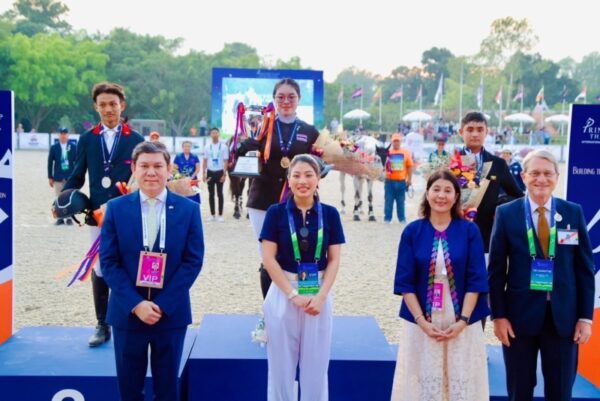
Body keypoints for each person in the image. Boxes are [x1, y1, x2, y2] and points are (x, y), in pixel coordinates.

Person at [100, 141, 204, 401]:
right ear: (134, 169)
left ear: (169, 169)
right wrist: (136, 304)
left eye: (158, 166)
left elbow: (192, 261)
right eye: (144, 166)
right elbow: (109, 262)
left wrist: (163, 304)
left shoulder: (189, 210)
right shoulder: (116, 208)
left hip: (170, 314)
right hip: (127, 313)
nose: (151, 172)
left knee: (167, 389)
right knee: (129, 390)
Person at [488, 149, 595, 401]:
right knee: (519, 391)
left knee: (560, 392)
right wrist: (498, 316)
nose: (541, 179)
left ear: (557, 177)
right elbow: (496, 271)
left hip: (564, 320)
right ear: (523, 176)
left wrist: (585, 318)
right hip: (518, 319)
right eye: (535, 173)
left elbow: (584, 269)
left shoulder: (573, 212)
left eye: (548, 173)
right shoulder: (506, 214)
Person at [391, 169, 490, 401]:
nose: (441, 196)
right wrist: (422, 322)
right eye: (436, 189)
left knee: (461, 376)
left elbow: (476, 279)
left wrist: (463, 321)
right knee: (425, 377)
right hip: (423, 319)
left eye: (448, 190)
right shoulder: (413, 231)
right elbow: (405, 282)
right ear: (427, 193)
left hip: (462, 319)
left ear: (456, 197)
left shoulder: (469, 231)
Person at [63, 82, 144, 347]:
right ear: (95, 107)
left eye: (113, 104)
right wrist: (63, 198)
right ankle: (102, 323)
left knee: (129, 264)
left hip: (129, 213)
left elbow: (142, 176)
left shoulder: (136, 140)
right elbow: (77, 174)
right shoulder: (87, 139)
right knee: (100, 267)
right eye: (103, 105)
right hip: (97, 215)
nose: (108, 109)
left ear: (122, 105)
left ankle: (128, 318)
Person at [260, 154, 345, 401]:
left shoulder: (330, 214)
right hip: (283, 291)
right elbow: (268, 259)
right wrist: (292, 294)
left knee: (316, 367)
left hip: (318, 292)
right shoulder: (275, 213)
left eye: (309, 175)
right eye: (296, 175)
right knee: (280, 367)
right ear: (288, 179)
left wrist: (321, 296)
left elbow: (334, 260)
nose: (302, 181)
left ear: (318, 178)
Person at [238, 78, 320, 298]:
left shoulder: (309, 131)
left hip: (299, 201)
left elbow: (318, 163)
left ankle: (305, 303)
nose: (286, 101)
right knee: (268, 255)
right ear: (274, 99)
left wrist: (323, 166)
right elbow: (242, 159)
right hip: (262, 200)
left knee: (304, 250)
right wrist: (244, 147)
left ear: (299, 99)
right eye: (280, 97)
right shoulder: (262, 127)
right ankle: (270, 310)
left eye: (291, 96)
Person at [459, 112, 524, 252]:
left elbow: (518, 196)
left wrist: (500, 207)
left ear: (486, 132)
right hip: (455, 230)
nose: (475, 134)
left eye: (480, 130)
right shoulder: (449, 163)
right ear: (461, 132)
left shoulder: (498, 164)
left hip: (488, 234)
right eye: (470, 129)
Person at [48, 128, 77, 225]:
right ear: (59, 135)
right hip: (58, 177)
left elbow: (77, 162)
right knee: (59, 198)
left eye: (65, 133)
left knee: (69, 198)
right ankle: (60, 218)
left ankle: (69, 218)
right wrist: (50, 177)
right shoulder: (54, 148)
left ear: (68, 135)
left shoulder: (73, 147)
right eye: (61, 133)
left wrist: (76, 176)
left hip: (70, 177)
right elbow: (50, 163)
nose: (63, 135)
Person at [384, 133, 413, 224]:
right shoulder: (387, 152)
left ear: (400, 142)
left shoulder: (406, 152)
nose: (396, 143)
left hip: (401, 182)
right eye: (394, 141)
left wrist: (409, 180)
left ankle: (402, 219)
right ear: (392, 142)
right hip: (389, 182)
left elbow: (410, 166)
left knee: (401, 201)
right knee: (388, 201)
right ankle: (387, 218)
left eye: (398, 141)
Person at [203, 127, 229, 222]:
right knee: (211, 194)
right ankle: (212, 214)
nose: (214, 134)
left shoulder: (223, 147)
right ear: (210, 135)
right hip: (210, 172)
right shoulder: (207, 146)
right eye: (212, 133)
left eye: (216, 133)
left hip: (219, 172)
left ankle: (220, 214)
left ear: (218, 134)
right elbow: (205, 160)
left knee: (220, 193)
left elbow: (226, 161)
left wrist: (224, 174)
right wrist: (203, 173)